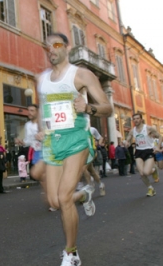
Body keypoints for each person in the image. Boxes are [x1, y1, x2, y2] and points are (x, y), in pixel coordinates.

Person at [38, 33, 112, 266]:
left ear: (67, 48)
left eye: (56, 45)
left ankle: (71, 253)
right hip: (53, 142)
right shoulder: (42, 79)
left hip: (76, 140)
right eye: (47, 46)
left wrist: (87, 107)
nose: (51, 50)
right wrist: (42, 129)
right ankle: (85, 193)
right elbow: (45, 110)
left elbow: (107, 108)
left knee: (63, 196)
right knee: (54, 201)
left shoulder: (81, 74)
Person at [125, 113, 162, 197]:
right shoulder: (132, 130)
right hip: (138, 152)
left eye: (138, 118)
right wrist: (127, 142)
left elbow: (160, 136)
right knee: (141, 173)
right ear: (133, 120)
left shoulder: (148, 128)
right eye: (134, 119)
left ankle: (154, 170)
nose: (136, 120)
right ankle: (150, 188)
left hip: (148, 151)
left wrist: (157, 146)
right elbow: (128, 138)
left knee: (146, 172)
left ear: (141, 119)